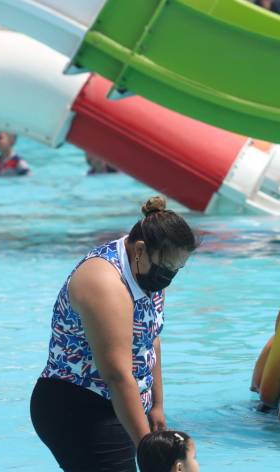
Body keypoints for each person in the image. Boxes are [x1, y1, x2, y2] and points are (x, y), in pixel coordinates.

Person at [31, 196, 199, 471]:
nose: (168, 276)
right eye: (167, 267)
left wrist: (156, 404)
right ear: (140, 249)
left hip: (120, 402)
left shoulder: (148, 268)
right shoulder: (103, 282)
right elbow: (117, 374)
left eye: (176, 269)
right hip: (79, 407)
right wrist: (149, 450)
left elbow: (150, 337)